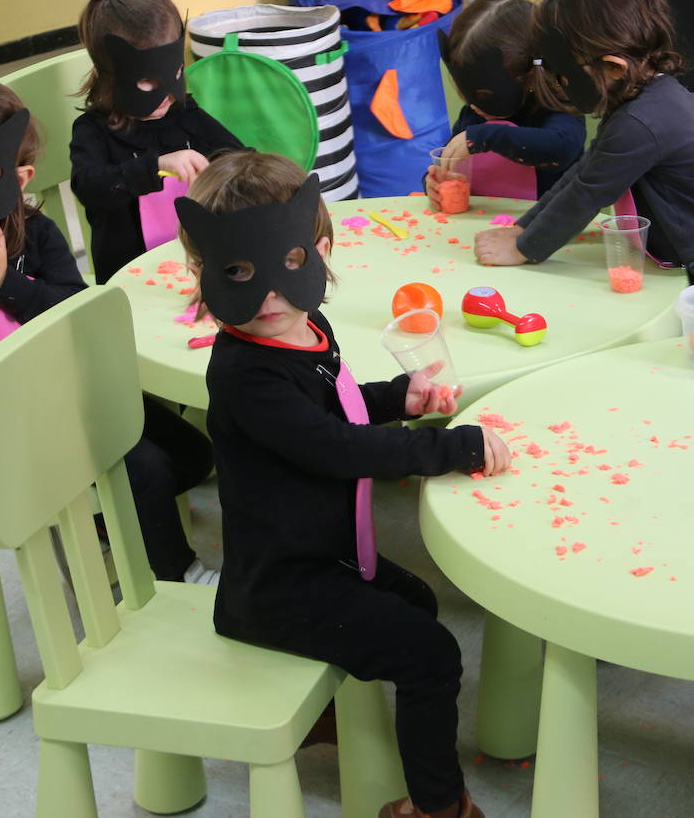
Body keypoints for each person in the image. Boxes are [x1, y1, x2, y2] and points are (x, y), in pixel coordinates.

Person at [178, 151, 506, 818]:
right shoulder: (248, 373)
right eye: (239, 274)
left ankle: (330, 713)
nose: (267, 295)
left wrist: (399, 399)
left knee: (415, 601)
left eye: (286, 267)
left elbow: (340, 405)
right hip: (279, 587)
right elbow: (334, 447)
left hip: (324, 554)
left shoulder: (307, 326)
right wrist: (450, 447)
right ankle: (439, 808)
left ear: (318, 254)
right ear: (203, 276)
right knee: (431, 655)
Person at [0, 75, 216, 583]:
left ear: (20, 177)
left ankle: (100, 522)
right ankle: (177, 572)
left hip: (68, 387)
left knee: (193, 454)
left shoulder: (38, 235)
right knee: (146, 468)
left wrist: (6, 282)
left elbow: (75, 310)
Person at [473, 0, 694, 321]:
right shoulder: (642, 98)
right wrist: (524, 226)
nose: (562, 83)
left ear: (613, 66)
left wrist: (523, 248)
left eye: (568, 71)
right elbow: (585, 171)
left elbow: (587, 193)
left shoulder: (641, 122)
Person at [70, 0, 244, 283]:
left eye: (176, 72)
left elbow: (239, 157)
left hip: (200, 272)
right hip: (130, 281)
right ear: (108, 76)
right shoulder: (93, 131)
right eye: (148, 81)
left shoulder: (185, 114)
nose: (166, 94)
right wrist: (156, 166)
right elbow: (89, 187)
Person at [428, 0, 584, 206]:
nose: (473, 105)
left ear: (525, 76)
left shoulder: (556, 106)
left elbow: (561, 150)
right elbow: (450, 164)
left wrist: (487, 137)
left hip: (546, 233)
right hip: (478, 230)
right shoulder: (473, 117)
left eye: (483, 94)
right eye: (466, 93)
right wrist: (435, 183)